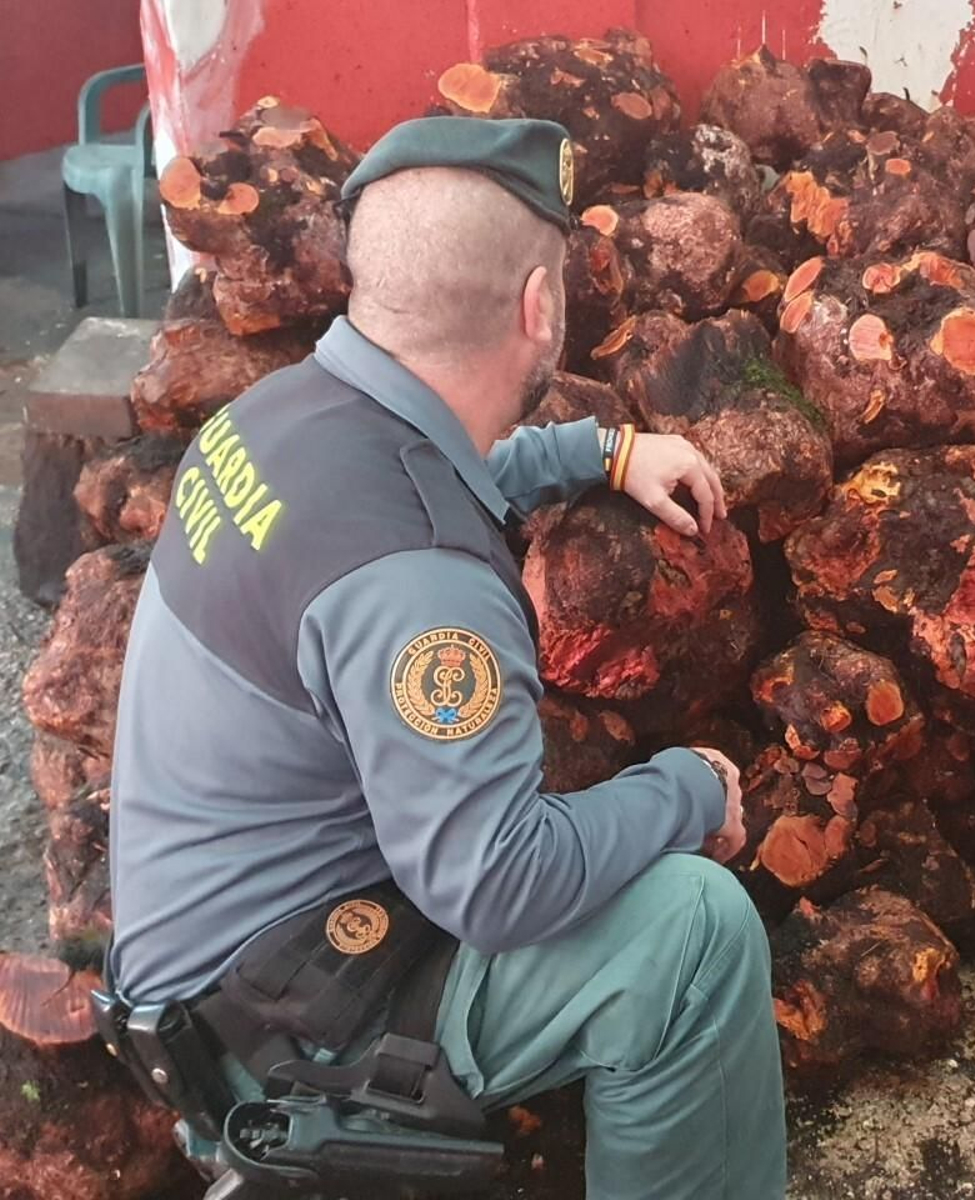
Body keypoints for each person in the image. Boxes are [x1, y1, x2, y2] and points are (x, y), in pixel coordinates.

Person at [105, 116, 786, 1198]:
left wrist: (599, 450)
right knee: (693, 930)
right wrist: (687, 789)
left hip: (205, 967)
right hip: (284, 1031)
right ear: (538, 306)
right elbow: (498, 883)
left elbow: (429, 481)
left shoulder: (281, 416)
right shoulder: (425, 592)